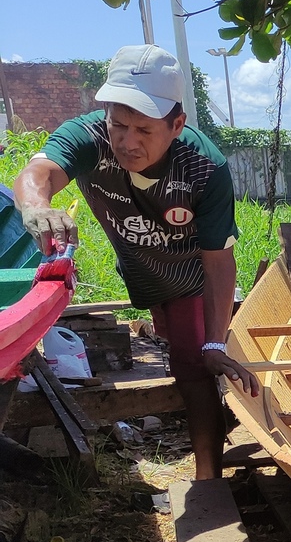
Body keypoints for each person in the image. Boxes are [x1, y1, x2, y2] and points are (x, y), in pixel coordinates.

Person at [14, 44, 259, 478]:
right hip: (140, 270)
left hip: (187, 279)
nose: (128, 142)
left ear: (177, 124)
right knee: (164, 332)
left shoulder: (203, 168)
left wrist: (216, 343)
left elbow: (219, 262)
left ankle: (208, 481)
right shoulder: (89, 138)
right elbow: (40, 172)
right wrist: (36, 204)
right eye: (119, 124)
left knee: (194, 365)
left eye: (144, 130)